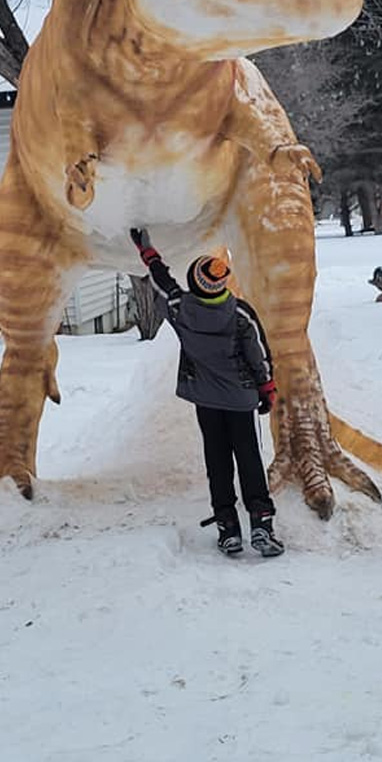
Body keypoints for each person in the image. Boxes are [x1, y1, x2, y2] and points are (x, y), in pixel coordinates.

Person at [130, 227, 284, 558]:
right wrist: (267, 388)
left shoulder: (180, 309)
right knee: (249, 459)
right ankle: (261, 523)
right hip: (241, 401)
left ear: (195, 283)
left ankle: (228, 528)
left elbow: (162, 282)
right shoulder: (240, 313)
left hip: (206, 401)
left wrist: (148, 252)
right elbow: (258, 353)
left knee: (217, 462)